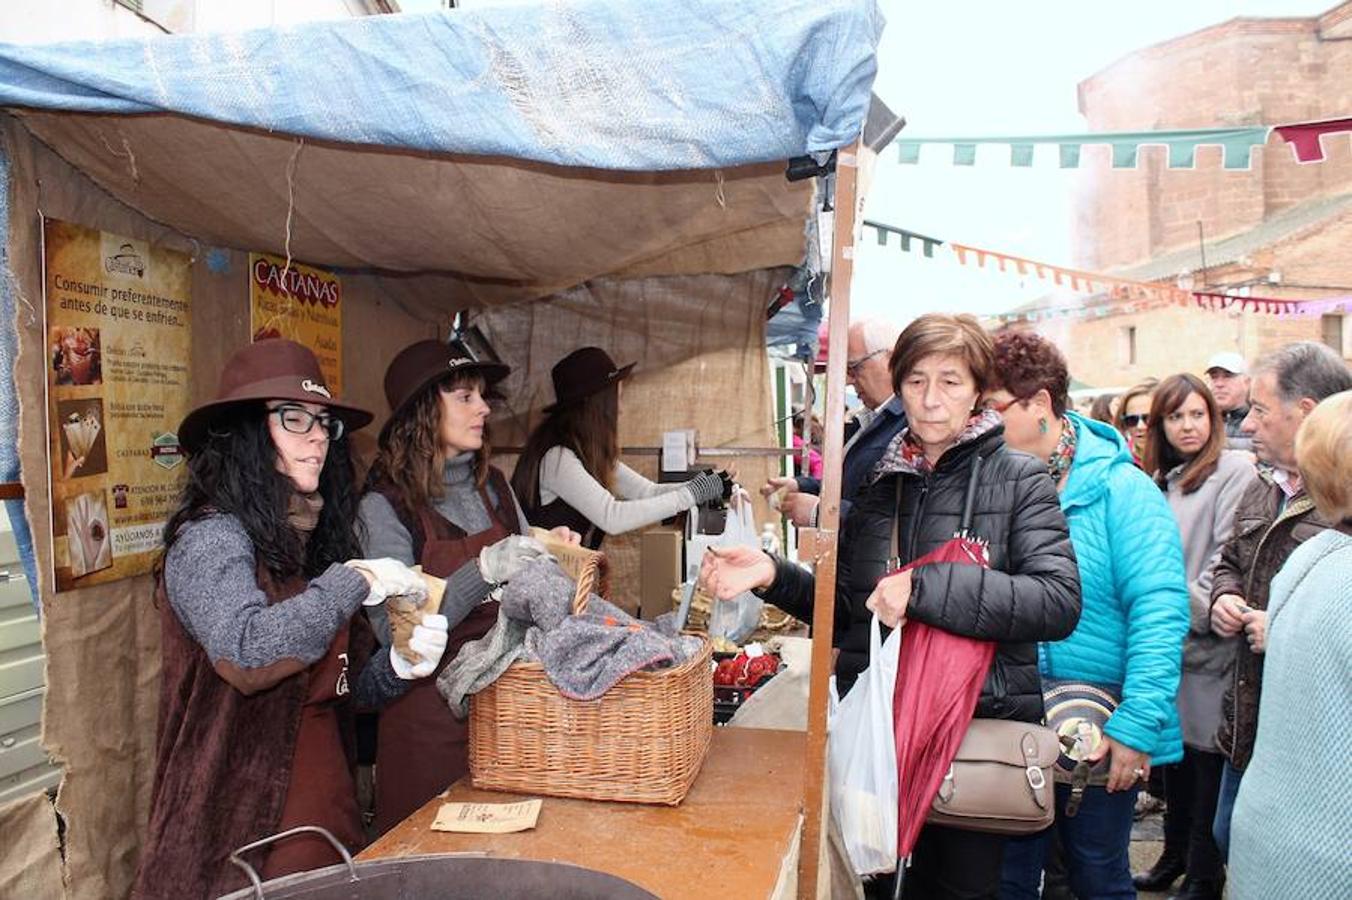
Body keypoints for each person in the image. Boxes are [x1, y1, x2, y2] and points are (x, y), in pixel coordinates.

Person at [703, 314, 1082, 899]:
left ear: (978, 389)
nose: (931, 401)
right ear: (898, 386)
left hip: (969, 735)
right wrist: (774, 575)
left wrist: (927, 588)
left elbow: (1056, 601)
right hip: (877, 736)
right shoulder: (882, 489)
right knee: (872, 887)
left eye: (951, 382)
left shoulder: (1019, 479)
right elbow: (854, 609)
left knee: (957, 891)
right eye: (916, 382)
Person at [133, 340, 444, 899]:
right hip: (242, 830)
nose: (318, 436)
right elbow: (247, 652)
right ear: (247, 435)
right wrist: (356, 581)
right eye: (294, 419)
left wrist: (403, 664)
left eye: (324, 423)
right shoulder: (210, 539)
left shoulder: (312, 540)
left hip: (328, 813)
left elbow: (348, 690)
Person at [985, 332, 1189, 900]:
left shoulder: (1123, 492)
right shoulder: (993, 484)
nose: (980, 418)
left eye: (993, 405)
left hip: (1099, 722)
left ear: (1041, 404)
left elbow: (1160, 611)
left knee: (1097, 872)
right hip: (1014, 715)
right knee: (1011, 877)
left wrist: (1136, 726)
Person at [358, 337, 561, 834]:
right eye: (465, 397)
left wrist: (549, 554)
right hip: (426, 725)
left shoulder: (493, 485)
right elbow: (394, 634)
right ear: (425, 411)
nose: (484, 409)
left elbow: (523, 581)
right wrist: (483, 572)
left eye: (482, 396)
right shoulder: (384, 507)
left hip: (503, 712)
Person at [1206, 341, 1352, 859]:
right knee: (1230, 838)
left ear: (1306, 412)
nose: (1246, 425)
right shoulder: (1264, 485)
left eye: (1260, 411)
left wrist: (1283, 629)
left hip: (1313, 744)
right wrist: (1224, 596)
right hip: (1247, 722)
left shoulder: (1342, 509)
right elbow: (1230, 563)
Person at [1131, 374, 1256, 899]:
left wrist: (1166, 603)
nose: (1187, 426)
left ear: (1214, 419)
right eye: (1175, 416)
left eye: (1197, 414)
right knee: (1175, 765)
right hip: (1170, 650)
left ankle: (1205, 873)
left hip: (1208, 646)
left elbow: (1226, 559)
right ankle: (1174, 855)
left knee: (1207, 768)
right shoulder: (1162, 479)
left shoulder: (1234, 471)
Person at [512, 346, 728, 550]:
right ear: (599, 405)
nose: (621, 409)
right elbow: (612, 516)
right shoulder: (557, 458)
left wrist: (709, 484)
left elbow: (647, 491)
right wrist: (690, 495)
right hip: (537, 580)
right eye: (618, 398)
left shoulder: (589, 452)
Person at [761, 318, 906, 526]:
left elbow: (888, 520)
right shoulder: (875, 422)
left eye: (853, 368)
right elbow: (850, 488)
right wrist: (802, 486)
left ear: (891, 360)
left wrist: (820, 513)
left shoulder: (905, 428)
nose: (848, 380)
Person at [1203, 352, 1252, 452]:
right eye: (1214, 377)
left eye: (1228, 376)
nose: (1219, 384)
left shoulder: (1260, 420)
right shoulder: (1203, 420)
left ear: (1247, 382)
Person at [1113, 379, 1156, 466]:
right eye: (1132, 420)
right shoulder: (1117, 460)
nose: (1140, 426)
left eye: (1148, 418)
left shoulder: (1183, 458)